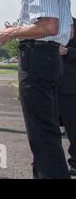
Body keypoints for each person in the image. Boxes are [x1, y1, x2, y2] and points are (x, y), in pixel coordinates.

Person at [0, 0, 73, 179]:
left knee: (42, 134)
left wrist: (13, 32)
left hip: (38, 60)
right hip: (47, 59)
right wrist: (21, 29)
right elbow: (61, 29)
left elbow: (49, 26)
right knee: (46, 132)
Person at [58, 18, 76, 176]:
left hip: (70, 89)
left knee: (73, 128)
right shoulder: (54, 36)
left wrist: (68, 52)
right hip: (52, 87)